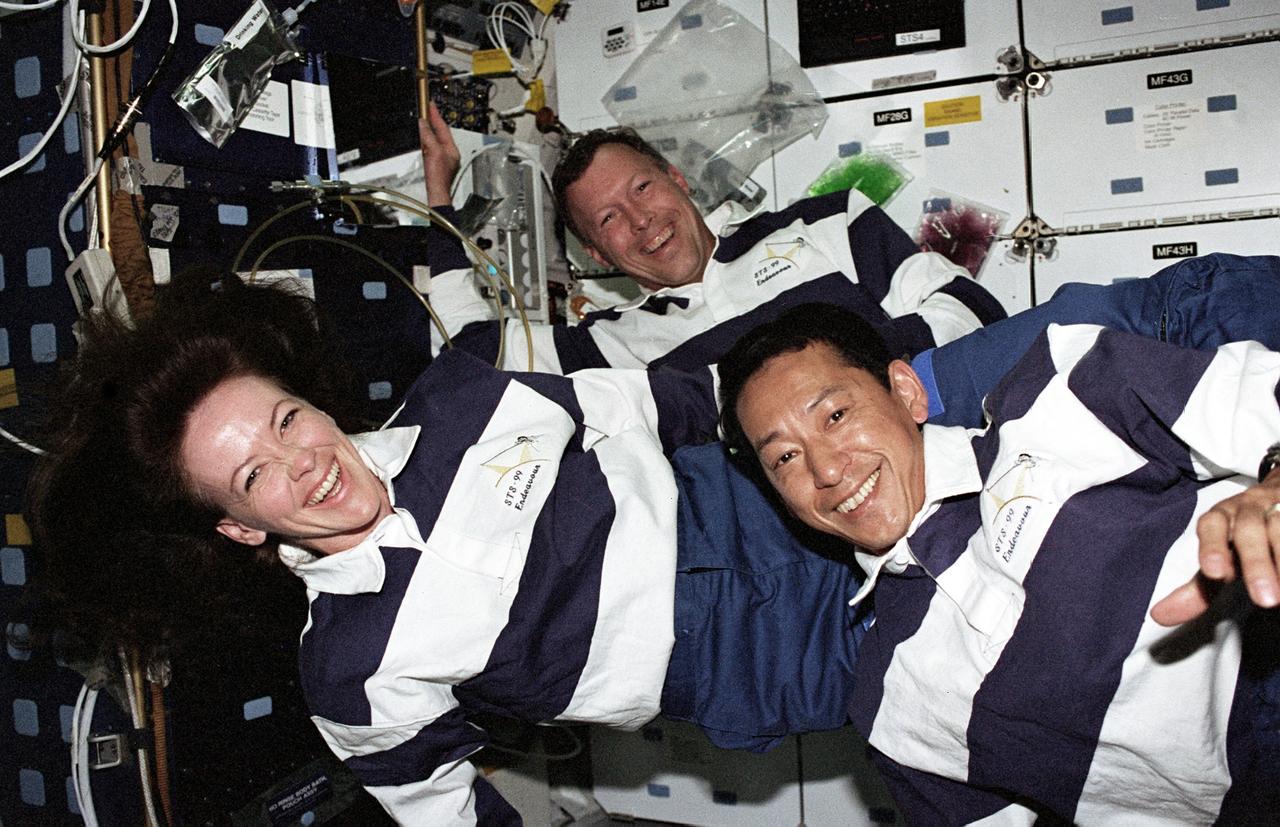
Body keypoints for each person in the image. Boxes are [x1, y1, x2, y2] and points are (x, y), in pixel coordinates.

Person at [24, 272, 865, 826]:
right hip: (750, 659)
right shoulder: (350, 673)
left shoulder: (458, 398)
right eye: (255, 475)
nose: (305, 462)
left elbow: (659, 401)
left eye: (288, 420)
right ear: (241, 528)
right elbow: (452, 817)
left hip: (759, 491)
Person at [717, 303, 1280, 823]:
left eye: (836, 415)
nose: (827, 470)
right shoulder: (887, 705)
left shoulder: (1057, 397)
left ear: (906, 391)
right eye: (784, 457)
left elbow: (1260, 398)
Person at [416, 102, 1007, 374]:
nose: (640, 218)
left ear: (678, 180)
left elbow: (967, 306)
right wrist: (438, 200)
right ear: (596, 255)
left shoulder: (827, 224)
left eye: (642, 188)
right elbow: (469, 351)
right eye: (609, 218)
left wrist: (864, 380)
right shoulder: (613, 347)